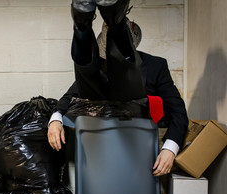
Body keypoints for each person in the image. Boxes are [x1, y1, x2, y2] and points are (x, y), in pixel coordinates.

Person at [47, 0, 188, 177]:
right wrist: (55, 119)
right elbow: (69, 97)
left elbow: (178, 111)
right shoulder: (97, 65)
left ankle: (116, 20)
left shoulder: (155, 65)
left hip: (133, 125)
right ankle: (82, 25)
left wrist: (170, 148)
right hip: (99, 132)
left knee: (126, 72)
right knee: (88, 70)